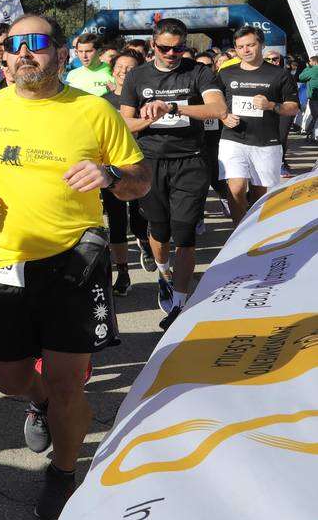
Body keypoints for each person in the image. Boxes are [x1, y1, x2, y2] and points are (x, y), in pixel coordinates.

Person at [0, 14, 148, 520]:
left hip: (73, 261)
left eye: (37, 44)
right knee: (9, 378)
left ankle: (63, 474)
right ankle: (34, 402)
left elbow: (139, 180)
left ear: (60, 53)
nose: (25, 53)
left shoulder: (94, 111)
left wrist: (109, 175)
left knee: (68, 383)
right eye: (16, 44)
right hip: (5, 263)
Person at [118, 18, 226, 331]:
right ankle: (164, 273)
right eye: (164, 48)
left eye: (178, 48)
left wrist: (173, 108)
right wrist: (148, 118)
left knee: (185, 233)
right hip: (150, 162)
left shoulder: (198, 72)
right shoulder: (138, 76)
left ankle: (179, 302)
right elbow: (125, 123)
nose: (171, 53)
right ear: (153, 45)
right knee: (160, 230)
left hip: (191, 161)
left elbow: (217, 109)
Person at [218, 28, 298, 225]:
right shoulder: (226, 73)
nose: (245, 50)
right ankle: (237, 234)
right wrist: (223, 117)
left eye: (250, 45)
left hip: (266, 141)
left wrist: (271, 105)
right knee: (236, 188)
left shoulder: (280, 74)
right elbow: (215, 104)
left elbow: (293, 108)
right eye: (240, 47)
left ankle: (254, 230)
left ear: (262, 45)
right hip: (233, 139)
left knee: (258, 192)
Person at [101, 50, 150, 295]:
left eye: (129, 68)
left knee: (141, 217)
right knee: (117, 222)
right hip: (113, 168)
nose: (123, 71)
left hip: (141, 167)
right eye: (119, 67)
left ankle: (145, 244)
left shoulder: (145, 100)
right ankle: (122, 273)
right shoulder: (102, 101)